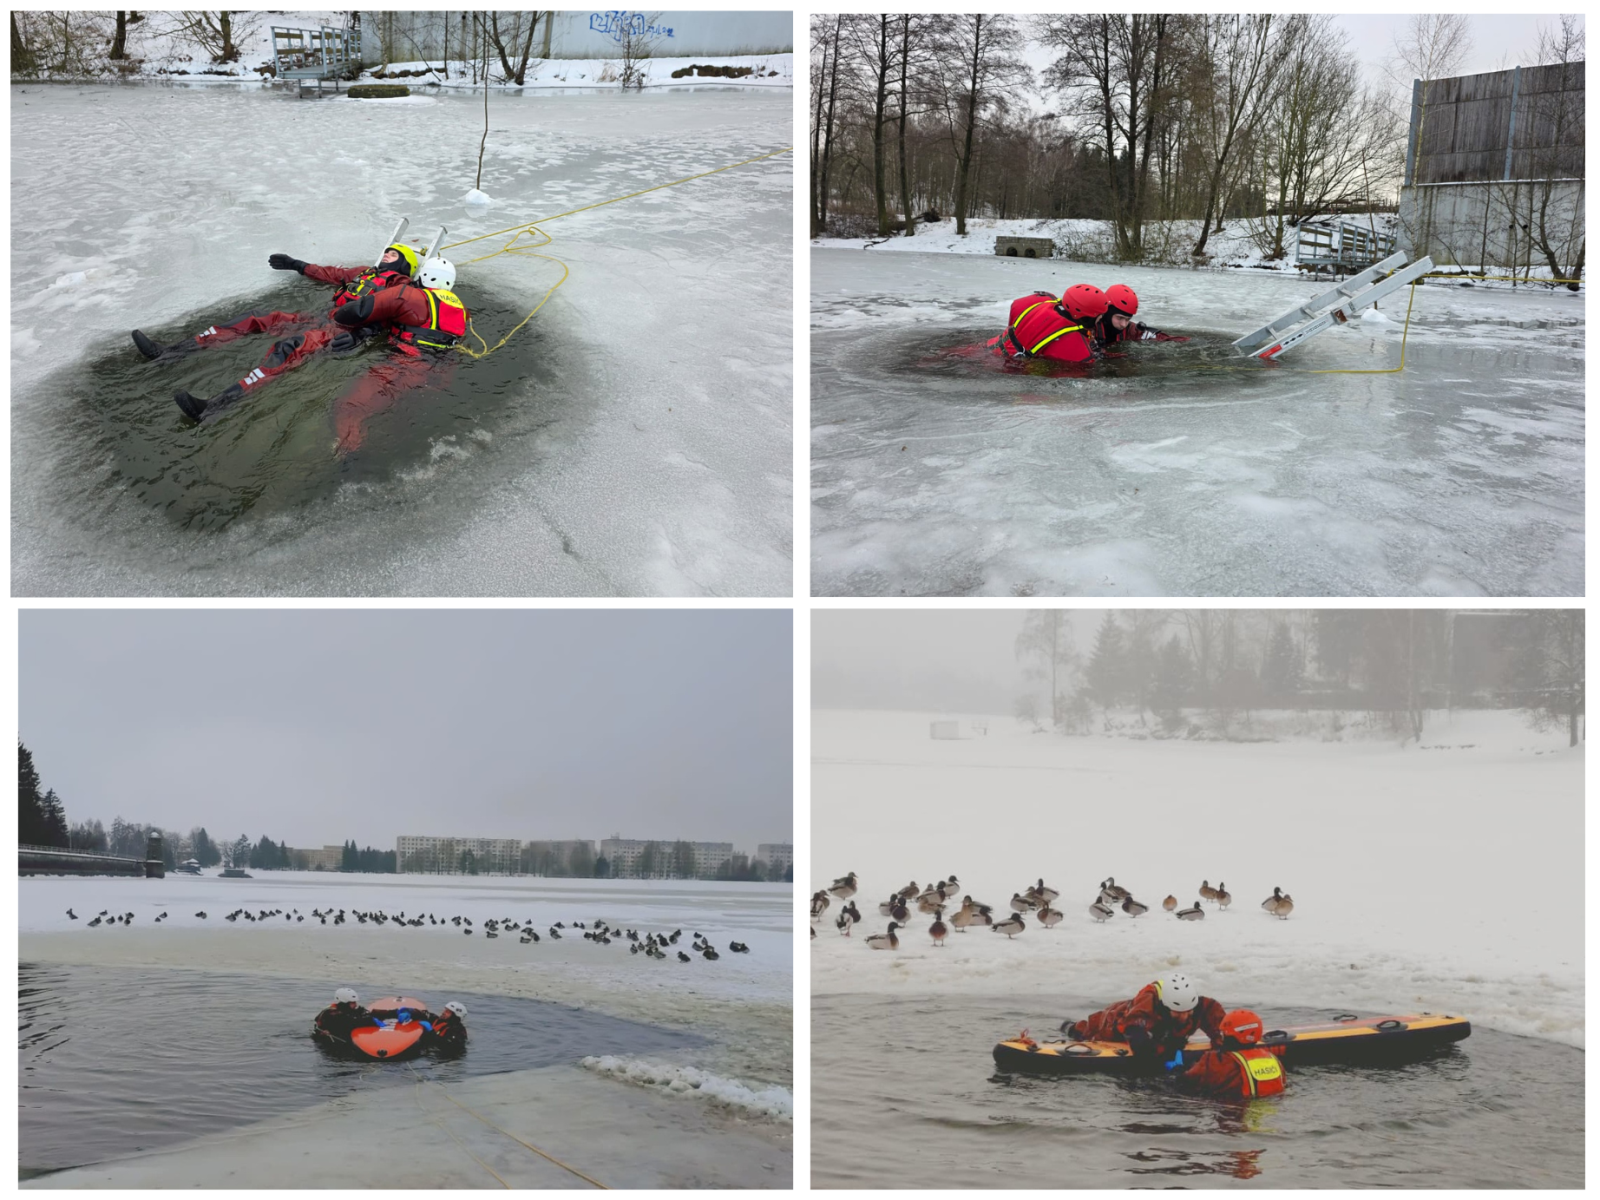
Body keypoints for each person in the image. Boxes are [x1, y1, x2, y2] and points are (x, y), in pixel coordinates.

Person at [1064, 973, 1226, 1064]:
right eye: (1178, 1012)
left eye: (1187, 1012)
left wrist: (1221, 1048)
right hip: (1114, 1022)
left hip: (1158, 1031)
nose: (1183, 1017)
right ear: (1166, 1005)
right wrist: (1167, 1054)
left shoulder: (1201, 1006)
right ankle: (1069, 1027)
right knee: (1085, 1030)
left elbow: (1221, 1028)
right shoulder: (1148, 1001)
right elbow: (1138, 1041)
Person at [989, 283, 1108, 365]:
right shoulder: (1073, 339)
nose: (1101, 318)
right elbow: (1082, 369)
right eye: (1098, 315)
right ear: (1085, 317)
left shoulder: (1046, 304)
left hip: (991, 347)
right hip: (1002, 363)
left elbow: (1016, 306)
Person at [1178, 1009, 1286, 1098]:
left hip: (1234, 1113)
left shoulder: (1215, 1060)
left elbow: (1186, 1082)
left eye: (1223, 1033)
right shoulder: (1273, 1060)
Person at [1091, 283, 1187, 346]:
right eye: (1119, 318)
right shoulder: (1090, 327)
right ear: (1107, 312)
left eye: (1127, 319)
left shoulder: (1130, 330)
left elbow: (1163, 338)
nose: (1123, 324)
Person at [312, 987, 377, 1048]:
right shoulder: (332, 1014)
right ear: (344, 1003)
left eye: (355, 1002)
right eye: (352, 1003)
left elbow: (363, 1012)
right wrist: (372, 1020)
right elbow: (353, 1023)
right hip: (333, 1043)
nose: (355, 1005)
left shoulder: (349, 1010)